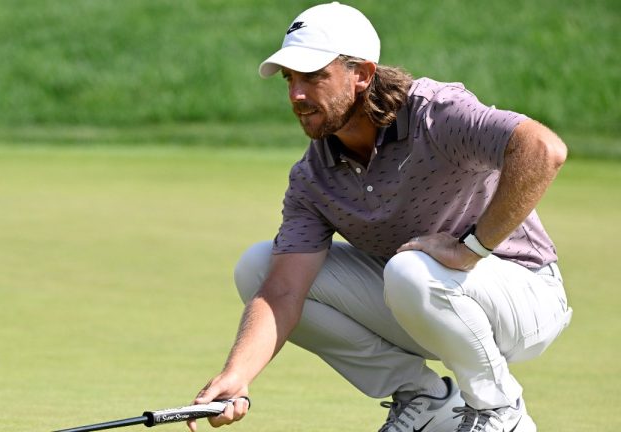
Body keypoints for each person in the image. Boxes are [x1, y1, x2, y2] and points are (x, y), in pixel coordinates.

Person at [187, 2, 573, 432]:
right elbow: (281, 292)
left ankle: (499, 410)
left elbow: (543, 149)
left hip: (527, 298)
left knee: (409, 271)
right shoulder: (313, 177)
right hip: (424, 299)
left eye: (314, 77)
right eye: (290, 79)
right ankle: (423, 399)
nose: (297, 94)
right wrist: (236, 376)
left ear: (363, 75)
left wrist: (472, 248)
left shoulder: (435, 113)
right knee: (258, 268)